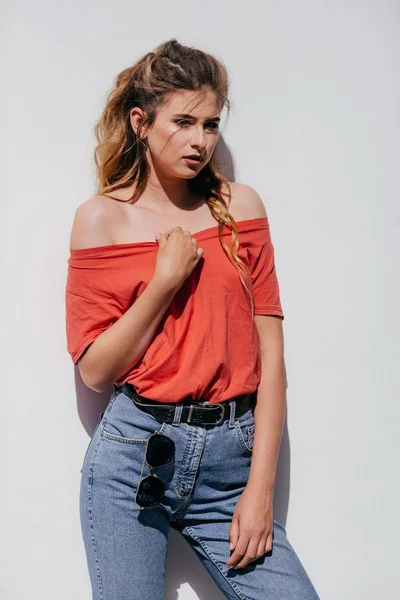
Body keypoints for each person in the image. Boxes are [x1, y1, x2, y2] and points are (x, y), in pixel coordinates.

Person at [65, 38, 320, 600]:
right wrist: (163, 283)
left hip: (233, 461)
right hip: (133, 457)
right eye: (183, 121)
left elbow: (271, 358)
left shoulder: (241, 207)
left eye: (210, 124)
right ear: (140, 121)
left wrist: (260, 491)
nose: (200, 140)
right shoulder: (100, 220)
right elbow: (94, 369)